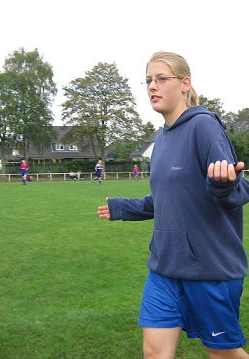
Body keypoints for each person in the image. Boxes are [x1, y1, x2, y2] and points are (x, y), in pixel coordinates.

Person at [97, 51, 249, 359]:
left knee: (222, 354)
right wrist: (123, 208)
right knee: (154, 353)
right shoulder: (162, 139)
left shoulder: (204, 126)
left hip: (209, 268)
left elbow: (237, 191)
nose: (152, 86)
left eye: (161, 79)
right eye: (148, 80)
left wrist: (224, 184)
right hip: (165, 266)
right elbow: (169, 199)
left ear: (184, 83)